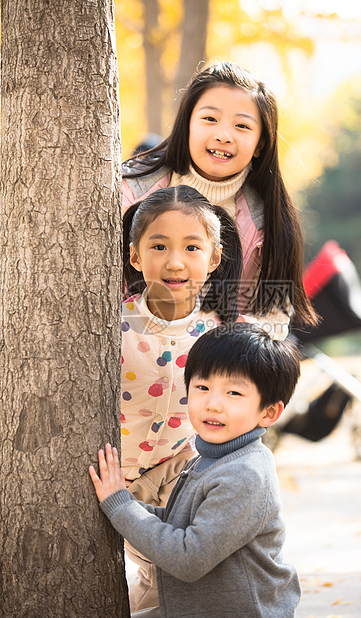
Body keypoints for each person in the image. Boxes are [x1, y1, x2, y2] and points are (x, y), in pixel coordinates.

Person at [89, 323, 301, 618]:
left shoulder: (245, 473)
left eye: (234, 393)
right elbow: (180, 523)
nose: (213, 404)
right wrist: (122, 501)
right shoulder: (213, 457)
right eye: (202, 387)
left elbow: (188, 558)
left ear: (269, 412)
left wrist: (120, 505)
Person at [122, 60, 317, 334]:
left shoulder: (268, 221)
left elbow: (273, 316)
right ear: (186, 124)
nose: (224, 135)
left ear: (261, 144)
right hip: (132, 357)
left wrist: (232, 341)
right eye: (210, 119)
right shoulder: (130, 192)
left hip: (217, 367)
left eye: (242, 126)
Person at [120, 185, 244, 610]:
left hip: (177, 468)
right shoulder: (111, 323)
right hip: (111, 472)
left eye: (192, 247)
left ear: (213, 258)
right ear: (135, 256)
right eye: (159, 246)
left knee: (172, 571)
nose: (175, 262)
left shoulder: (218, 331)